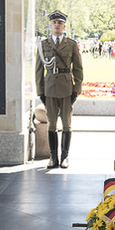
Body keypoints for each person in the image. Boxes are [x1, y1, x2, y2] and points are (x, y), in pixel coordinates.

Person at [35, 10, 84, 169]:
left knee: (67, 125)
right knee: (51, 125)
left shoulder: (71, 44)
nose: (57, 25)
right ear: (50, 25)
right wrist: (40, 91)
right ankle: (52, 157)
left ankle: (64, 157)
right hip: (49, 89)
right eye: (54, 22)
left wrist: (76, 90)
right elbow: (38, 70)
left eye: (60, 23)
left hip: (66, 89)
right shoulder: (43, 45)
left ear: (64, 26)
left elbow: (78, 69)